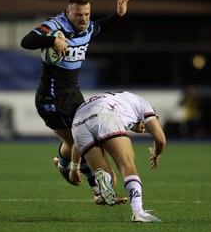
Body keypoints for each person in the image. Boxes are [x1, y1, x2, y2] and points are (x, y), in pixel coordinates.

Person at [20, 0, 132, 203]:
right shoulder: (56, 25)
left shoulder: (88, 26)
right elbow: (27, 41)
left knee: (82, 140)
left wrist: (118, 15)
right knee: (82, 142)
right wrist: (52, 39)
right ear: (68, 11)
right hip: (51, 97)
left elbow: (100, 27)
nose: (83, 19)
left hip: (73, 94)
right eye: (78, 14)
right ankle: (98, 192)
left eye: (87, 14)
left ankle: (64, 165)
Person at [71, 91, 167, 223]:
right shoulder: (144, 105)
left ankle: (105, 179)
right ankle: (138, 211)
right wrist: (155, 153)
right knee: (127, 165)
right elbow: (161, 139)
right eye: (145, 126)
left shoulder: (123, 104)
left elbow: (75, 145)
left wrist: (74, 167)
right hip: (104, 113)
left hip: (77, 123)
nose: (144, 129)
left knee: (108, 177)